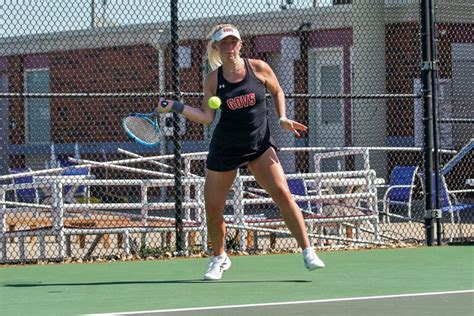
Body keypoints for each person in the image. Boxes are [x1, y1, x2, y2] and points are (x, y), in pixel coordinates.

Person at [157, 24, 325, 280]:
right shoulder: (213, 80)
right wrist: (176, 106)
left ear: (240, 44)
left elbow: (277, 90)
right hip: (225, 149)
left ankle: (308, 251)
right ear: (216, 48)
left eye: (233, 41)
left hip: (258, 146)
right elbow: (206, 117)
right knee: (213, 209)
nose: (230, 47)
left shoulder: (259, 68)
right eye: (224, 43)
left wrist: (282, 117)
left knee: (283, 193)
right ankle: (219, 258)